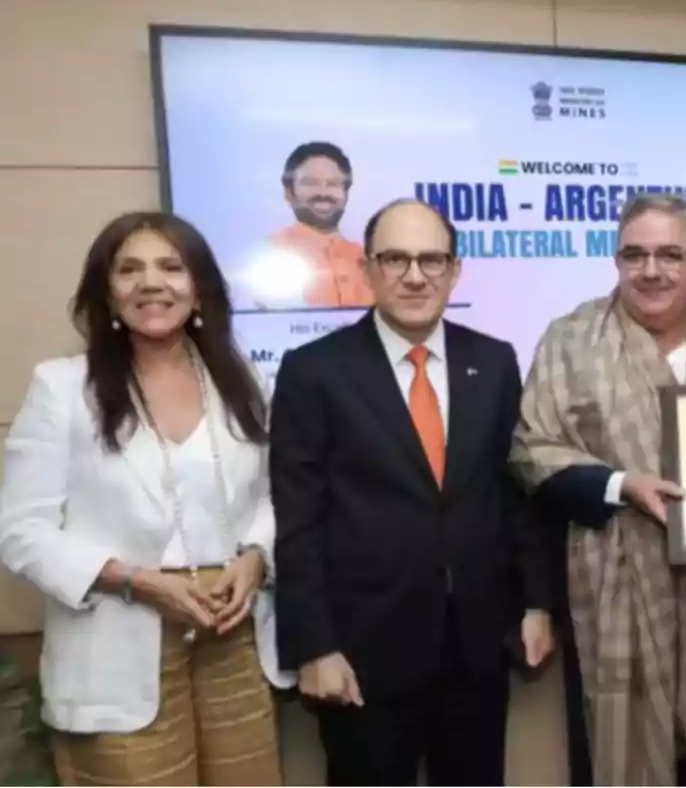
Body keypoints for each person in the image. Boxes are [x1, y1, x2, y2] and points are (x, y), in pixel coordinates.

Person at [0, 211, 292, 785]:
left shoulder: (242, 383)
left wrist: (257, 557)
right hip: (116, 636)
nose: (151, 283)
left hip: (232, 638)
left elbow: (275, 495)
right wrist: (137, 581)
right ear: (107, 295)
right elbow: (19, 529)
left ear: (199, 287)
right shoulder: (62, 388)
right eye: (129, 269)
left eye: (171, 267)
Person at [270, 198, 554, 786]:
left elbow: (514, 493)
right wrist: (314, 646)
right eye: (395, 258)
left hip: (476, 646)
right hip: (361, 655)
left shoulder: (494, 360)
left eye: (431, 259)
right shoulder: (313, 371)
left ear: (455, 271)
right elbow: (297, 521)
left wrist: (535, 602)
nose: (415, 275)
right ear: (367, 269)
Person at [510, 192, 686, 785]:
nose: (650, 271)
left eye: (669, 255)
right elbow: (530, 448)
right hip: (613, 582)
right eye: (634, 255)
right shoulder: (570, 341)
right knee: (617, 748)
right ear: (616, 260)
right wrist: (621, 484)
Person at [247, 141, 372, 309]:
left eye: (333, 183)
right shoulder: (267, 253)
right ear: (289, 193)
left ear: (346, 194)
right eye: (310, 183)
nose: (323, 192)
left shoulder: (367, 260)